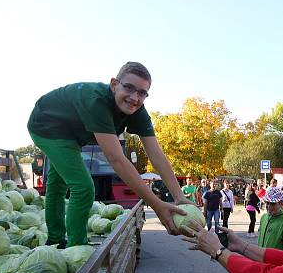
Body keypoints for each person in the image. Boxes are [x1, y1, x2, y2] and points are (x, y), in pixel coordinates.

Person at [26, 62, 188, 247]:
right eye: (128, 87)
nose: (135, 97)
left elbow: (156, 155)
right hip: (46, 124)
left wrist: (179, 196)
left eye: (142, 92)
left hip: (73, 134)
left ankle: (54, 240)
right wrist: (157, 205)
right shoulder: (97, 102)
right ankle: (75, 247)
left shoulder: (138, 111)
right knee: (83, 188)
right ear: (114, 84)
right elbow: (116, 159)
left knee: (58, 183)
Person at [257, 187, 283, 251]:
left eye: (273, 204)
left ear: (281, 204)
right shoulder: (264, 217)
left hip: (275, 260)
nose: (269, 206)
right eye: (267, 203)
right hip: (260, 258)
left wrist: (278, 259)